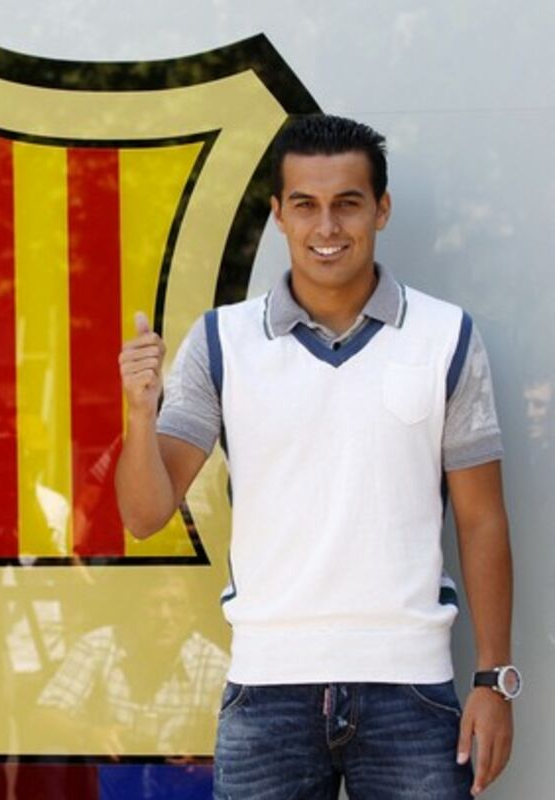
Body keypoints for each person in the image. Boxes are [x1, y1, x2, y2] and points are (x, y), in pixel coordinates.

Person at [116, 114, 516, 798]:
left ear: (381, 209)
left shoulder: (447, 335)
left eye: (347, 204)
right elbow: (145, 514)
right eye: (305, 204)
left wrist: (495, 679)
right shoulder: (221, 341)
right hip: (267, 690)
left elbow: (482, 520)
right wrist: (137, 411)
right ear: (278, 214)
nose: (326, 226)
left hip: (412, 690)